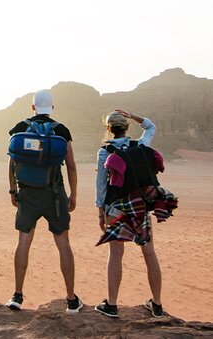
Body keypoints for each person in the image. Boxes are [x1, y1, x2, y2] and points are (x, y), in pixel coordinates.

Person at [6, 90, 83, 313]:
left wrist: (13, 190)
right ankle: (70, 299)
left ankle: (17, 295)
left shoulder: (19, 128)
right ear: (52, 108)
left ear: (33, 107)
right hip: (54, 195)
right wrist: (73, 194)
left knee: (23, 242)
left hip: (28, 194)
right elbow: (71, 165)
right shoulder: (61, 130)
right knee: (63, 244)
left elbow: (12, 163)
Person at [94, 110, 165, 318]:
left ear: (108, 129)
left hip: (115, 208)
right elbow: (151, 126)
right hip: (139, 206)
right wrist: (133, 115)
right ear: (126, 127)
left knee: (115, 255)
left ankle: (112, 305)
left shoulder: (105, 151)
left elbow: (101, 186)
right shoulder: (140, 145)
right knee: (149, 253)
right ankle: (157, 305)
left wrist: (100, 210)